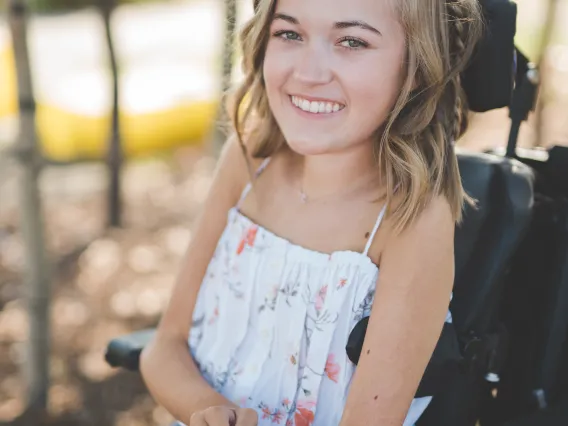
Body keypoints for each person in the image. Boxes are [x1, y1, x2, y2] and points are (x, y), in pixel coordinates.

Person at [139, 0, 483, 424]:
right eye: (289, 34)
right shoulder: (247, 161)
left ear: (415, 68)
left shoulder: (411, 221)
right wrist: (208, 411)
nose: (308, 72)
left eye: (352, 41)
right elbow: (164, 347)